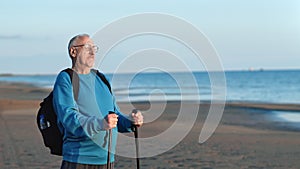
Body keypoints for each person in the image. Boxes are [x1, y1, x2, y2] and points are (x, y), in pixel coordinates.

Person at [53, 34, 143, 169]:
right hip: (78, 159)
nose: (92, 52)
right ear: (73, 52)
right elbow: (69, 119)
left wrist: (131, 122)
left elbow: (115, 116)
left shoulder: (101, 78)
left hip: (106, 160)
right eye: (87, 47)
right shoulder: (66, 78)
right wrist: (100, 123)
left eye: (94, 48)